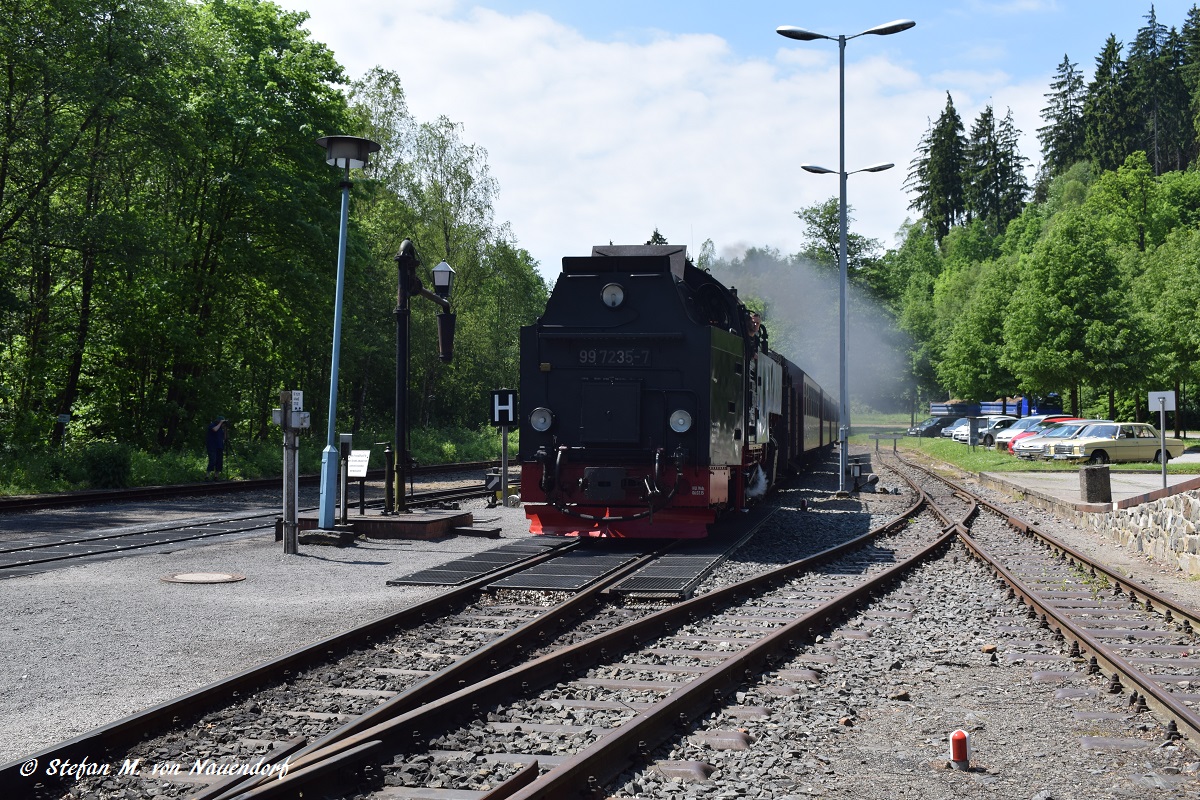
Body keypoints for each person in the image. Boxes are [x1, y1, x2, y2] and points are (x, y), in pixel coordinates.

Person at [206, 416, 227, 480]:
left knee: (219, 462)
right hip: (212, 446)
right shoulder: (212, 425)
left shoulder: (221, 429)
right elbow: (215, 430)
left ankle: (216, 476)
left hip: (219, 446)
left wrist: (225, 430)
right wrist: (220, 423)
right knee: (212, 461)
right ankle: (207, 476)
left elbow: (225, 438)